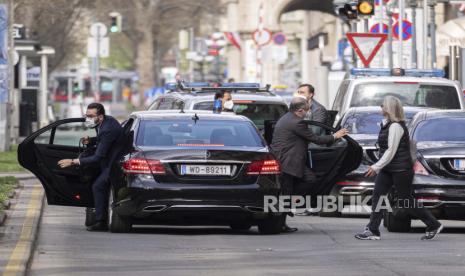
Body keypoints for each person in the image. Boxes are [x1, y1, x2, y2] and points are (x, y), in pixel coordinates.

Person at [355, 96, 443, 241]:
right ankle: (373, 229)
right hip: (388, 169)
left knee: (404, 200)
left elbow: (391, 151)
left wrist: (376, 167)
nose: (380, 108)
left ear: (388, 108)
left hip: (401, 170)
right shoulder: (387, 124)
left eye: (382, 105)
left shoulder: (395, 126)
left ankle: (433, 224)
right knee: (378, 197)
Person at [270, 97, 348, 232]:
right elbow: (316, 139)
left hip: (287, 160)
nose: (307, 113)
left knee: (306, 181)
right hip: (288, 162)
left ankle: (287, 208)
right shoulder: (297, 122)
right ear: (300, 110)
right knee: (289, 191)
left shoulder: (286, 118)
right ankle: (283, 217)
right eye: (306, 111)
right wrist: (336, 136)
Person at [57, 103, 123, 231]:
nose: (88, 119)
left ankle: (101, 222)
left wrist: (73, 161)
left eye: (91, 116)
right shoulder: (105, 123)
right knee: (95, 183)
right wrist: (91, 140)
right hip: (108, 160)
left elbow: (98, 157)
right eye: (87, 116)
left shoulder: (107, 128)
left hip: (113, 164)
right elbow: (103, 139)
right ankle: (99, 217)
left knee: (98, 186)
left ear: (101, 116)